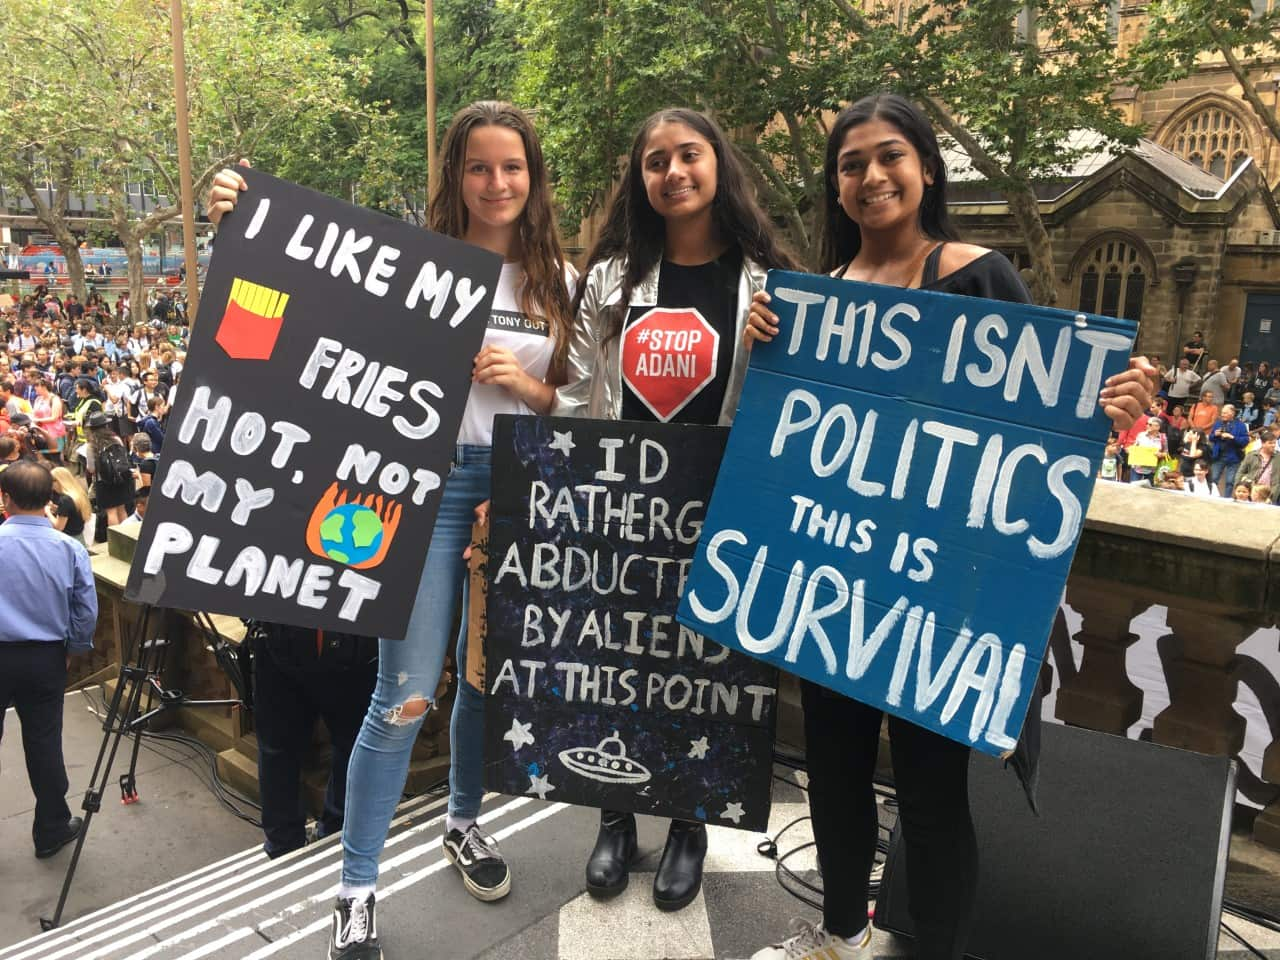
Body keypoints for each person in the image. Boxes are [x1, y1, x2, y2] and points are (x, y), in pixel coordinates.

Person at [742, 93, 1153, 960]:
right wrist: (764, 345)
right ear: (835, 187)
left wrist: (1112, 403)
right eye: (850, 165)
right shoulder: (814, 302)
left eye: (889, 156)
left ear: (928, 168)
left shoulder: (981, 275)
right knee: (836, 779)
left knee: (931, 799)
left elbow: (1037, 424)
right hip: (834, 582)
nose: (870, 176)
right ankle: (840, 936)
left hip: (937, 601)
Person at [209, 99, 577, 960]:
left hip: (516, 489)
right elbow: (300, 311)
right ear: (455, 175)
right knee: (403, 691)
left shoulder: (561, 274)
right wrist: (240, 211)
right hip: (421, 488)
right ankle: (357, 886)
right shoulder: (409, 265)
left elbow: (580, 400)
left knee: (480, 681)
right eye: (479, 167)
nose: (497, 183)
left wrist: (525, 392)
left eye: (512, 166)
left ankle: (461, 822)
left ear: (534, 175)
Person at [554, 106, 800, 915]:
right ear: (641, 179)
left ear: (718, 164)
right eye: (655, 160)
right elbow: (576, 390)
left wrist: (781, 346)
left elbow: (797, 405)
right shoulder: (609, 279)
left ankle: (689, 824)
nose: (673, 172)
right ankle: (615, 818)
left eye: (688, 155)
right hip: (622, 511)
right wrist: (560, 488)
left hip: (720, 510)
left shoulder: (768, 283)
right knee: (617, 662)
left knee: (703, 669)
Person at [0, 461, 98, 857]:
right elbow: (85, 610)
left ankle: (55, 825)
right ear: (50, 500)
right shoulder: (69, 549)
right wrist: (74, 649)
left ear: (5, 499)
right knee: (43, 744)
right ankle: (52, 827)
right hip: (44, 658)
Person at [248, 621, 377, 860]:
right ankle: (287, 843)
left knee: (352, 744)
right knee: (280, 748)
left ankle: (325, 834)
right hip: (286, 639)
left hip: (349, 645)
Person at [84, 411, 133, 527]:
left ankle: (116, 540)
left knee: (111, 512)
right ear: (106, 425)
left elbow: (91, 469)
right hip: (121, 478)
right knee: (122, 509)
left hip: (104, 481)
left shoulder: (91, 445)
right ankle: (127, 537)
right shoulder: (116, 439)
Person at [1208, 403, 1250, 495]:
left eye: (1225, 413)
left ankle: (1226, 500)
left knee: (1230, 482)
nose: (1222, 415)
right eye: (1222, 413)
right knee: (1213, 479)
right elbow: (1211, 438)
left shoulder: (1240, 425)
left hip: (1234, 457)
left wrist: (1232, 437)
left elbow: (1245, 441)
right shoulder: (1218, 423)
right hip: (1218, 456)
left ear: (1232, 413)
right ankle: (1211, 497)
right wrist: (1215, 434)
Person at [48, 465, 91, 541]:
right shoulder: (78, 494)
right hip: (80, 537)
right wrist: (57, 509)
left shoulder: (64, 500)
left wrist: (47, 511)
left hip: (68, 539)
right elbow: (72, 512)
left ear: (59, 481)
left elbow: (58, 527)